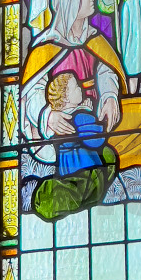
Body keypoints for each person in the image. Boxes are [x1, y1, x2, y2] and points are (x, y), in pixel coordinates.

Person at [20, 0, 141, 177]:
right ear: (72, 3)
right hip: (70, 124)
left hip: (100, 112)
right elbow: (32, 93)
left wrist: (110, 97)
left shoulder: (94, 39)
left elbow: (106, 72)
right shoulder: (45, 48)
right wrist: (48, 116)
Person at [32, 70, 116, 220]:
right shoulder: (80, 116)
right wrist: (89, 112)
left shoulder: (58, 121)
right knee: (104, 162)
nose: (81, 88)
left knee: (74, 187)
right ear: (66, 97)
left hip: (66, 168)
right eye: (76, 87)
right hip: (87, 166)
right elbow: (96, 140)